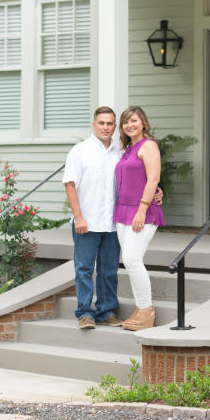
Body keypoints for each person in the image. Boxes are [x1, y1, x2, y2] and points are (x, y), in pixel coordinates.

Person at [63, 106, 125, 329]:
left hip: (112, 223)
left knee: (109, 269)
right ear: (94, 124)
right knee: (84, 269)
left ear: (114, 126)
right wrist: (78, 217)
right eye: (102, 123)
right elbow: (70, 184)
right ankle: (85, 313)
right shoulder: (80, 151)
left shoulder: (120, 153)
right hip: (86, 222)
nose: (106, 127)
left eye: (110, 124)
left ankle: (107, 311)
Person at [113, 105, 164, 331]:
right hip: (123, 211)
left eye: (133, 120)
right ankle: (139, 308)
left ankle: (147, 310)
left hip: (142, 212)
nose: (129, 125)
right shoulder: (127, 149)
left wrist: (142, 209)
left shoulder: (149, 145)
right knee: (129, 261)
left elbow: (153, 179)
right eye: (125, 122)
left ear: (142, 121)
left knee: (133, 259)